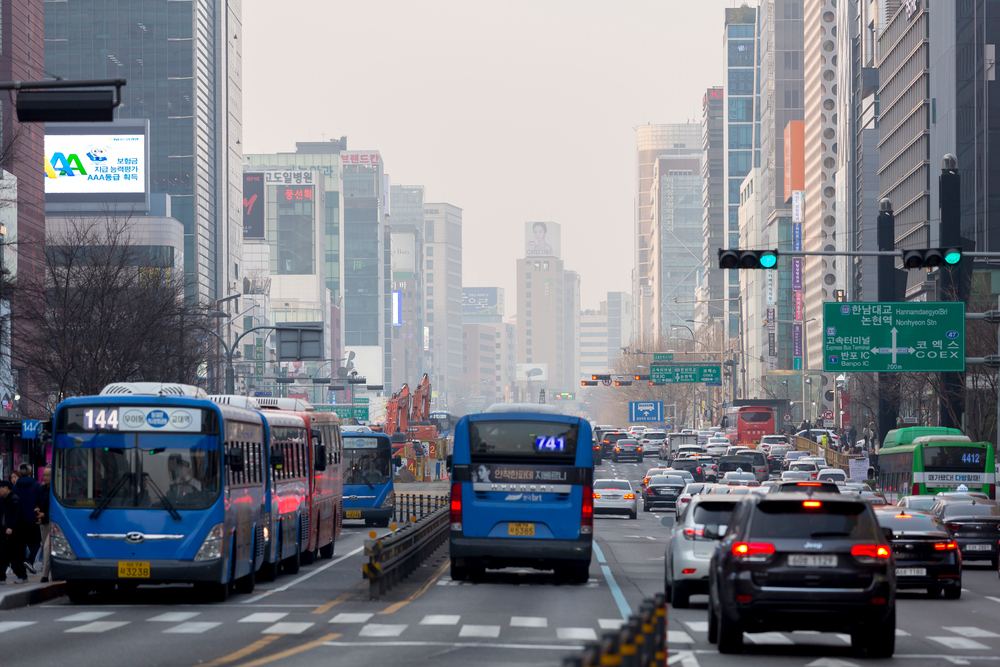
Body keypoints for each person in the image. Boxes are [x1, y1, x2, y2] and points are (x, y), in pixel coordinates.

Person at [12, 463, 41, 571]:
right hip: (33, 518)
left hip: (19, 520)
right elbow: (39, 501)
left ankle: (23, 565)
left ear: (19, 473)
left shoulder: (15, 487)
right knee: (36, 542)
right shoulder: (36, 485)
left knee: (22, 543)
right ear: (30, 472)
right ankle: (30, 561)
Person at [0, 480, 28, 584]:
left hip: (15, 533)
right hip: (4, 532)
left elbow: (17, 515)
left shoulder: (15, 499)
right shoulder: (2, 500)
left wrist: (11, 527)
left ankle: (22, 576)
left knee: (15, 556)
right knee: (2, 555)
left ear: (6, 488)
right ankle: (1, 577)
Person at [35, 466, 51, 582]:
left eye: (47, 475)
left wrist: (44, 515)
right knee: (46, 548)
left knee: (46, 548)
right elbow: (38, 502)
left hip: (53, 521)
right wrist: (37, 509)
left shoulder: (57, 489)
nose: (45, 477)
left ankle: (45, 575)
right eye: (44, 475)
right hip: (45, 523)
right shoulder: (41, 489)